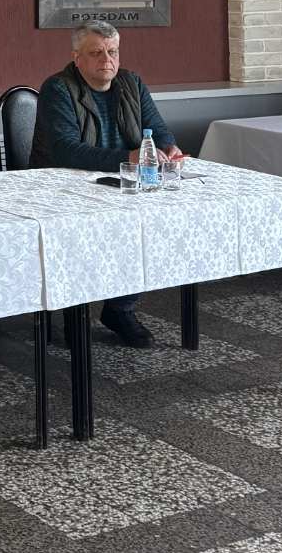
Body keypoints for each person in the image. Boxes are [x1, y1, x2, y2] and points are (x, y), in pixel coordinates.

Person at [30, 21, 183, 349]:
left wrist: (168, 147)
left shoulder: (131, 83)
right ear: (77, 58)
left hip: (120, 183)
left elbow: (157, 128)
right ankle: (73, 313)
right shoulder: (58, 88)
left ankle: (120, 309)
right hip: (63, 189)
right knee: (81, 234)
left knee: (152, 224)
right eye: (96, 52)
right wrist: (129, 157)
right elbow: (66, 150)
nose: (107, 60)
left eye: (112, 51)